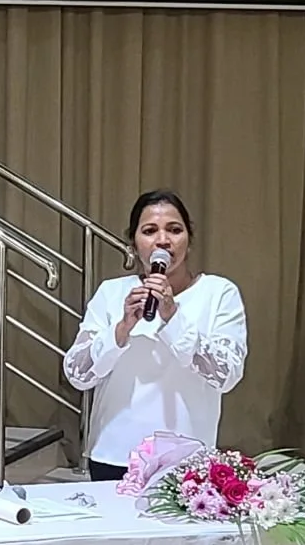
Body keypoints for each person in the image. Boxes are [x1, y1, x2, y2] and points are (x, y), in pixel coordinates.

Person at [63, 191, 248, 478]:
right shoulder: (112, 292)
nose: (163, 240)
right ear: (134, 243)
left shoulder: (219, 292)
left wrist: (173, 317)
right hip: (114, 452)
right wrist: (121, 330)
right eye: (149, 231)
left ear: (189, 240)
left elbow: (226, 375)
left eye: (174, 229)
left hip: (189, 460)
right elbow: (78, 374)